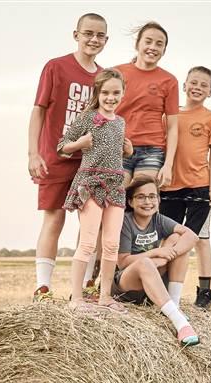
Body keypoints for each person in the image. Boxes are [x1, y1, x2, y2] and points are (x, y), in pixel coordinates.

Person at [28, 13, 110, 302]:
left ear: (106, 40)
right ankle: (43, 287)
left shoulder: (104, 77)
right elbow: (38, 110)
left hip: (91, 161)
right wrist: (34, 153)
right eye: (88, 33)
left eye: (100, 35)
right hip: (56, 155)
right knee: (54, 218)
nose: (93, 39)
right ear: (76, 35)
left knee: (91, 224)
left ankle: (86, 284)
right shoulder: (56, 67)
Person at [57, 68, 133, 311]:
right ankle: (77, 299)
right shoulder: (87, 117)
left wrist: (128, 149)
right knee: (88, 243)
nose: (111, 98)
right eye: (106, 93)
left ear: (123, 94)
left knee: (111, 245)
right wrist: (80, 144)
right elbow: (62, 147)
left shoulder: (121, 122)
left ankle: (105, 297)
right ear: (98, 93)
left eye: (116, 93)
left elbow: (116, 152)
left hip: (115, 185)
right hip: (91, 183)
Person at [159, 66, 211, 309]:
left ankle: (204, 291)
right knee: (169, 238)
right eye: (193, 83)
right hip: (170, 187)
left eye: (203, 85)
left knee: (200, 240)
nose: (197, 88)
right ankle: (163, 288)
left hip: (199, 187)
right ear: (184, 85)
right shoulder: (170, 116)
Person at [114, 175, 200, 346]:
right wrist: (155, 253)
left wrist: (169, 254)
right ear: (130, 202)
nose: (148, 202)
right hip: (126, 284)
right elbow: (123, 262)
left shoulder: (158, 220)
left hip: (152, 280)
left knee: (178, 239)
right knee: (145, 263)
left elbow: (192, 236)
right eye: (141, 197)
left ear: (159, 200)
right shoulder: (125, 222)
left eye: (152, 196)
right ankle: (180, 323)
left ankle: (174, 304)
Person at [114, 21, 179, 188]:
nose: (153, 47)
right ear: (137, 44)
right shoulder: (116, 73)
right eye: (148, 41)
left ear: (164, 50)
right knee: (117, 201)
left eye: (159, 44)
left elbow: (172, 127)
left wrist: (168, 165)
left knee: (144, 199)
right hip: (119, 146)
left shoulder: (169, 81)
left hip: (152, 150)